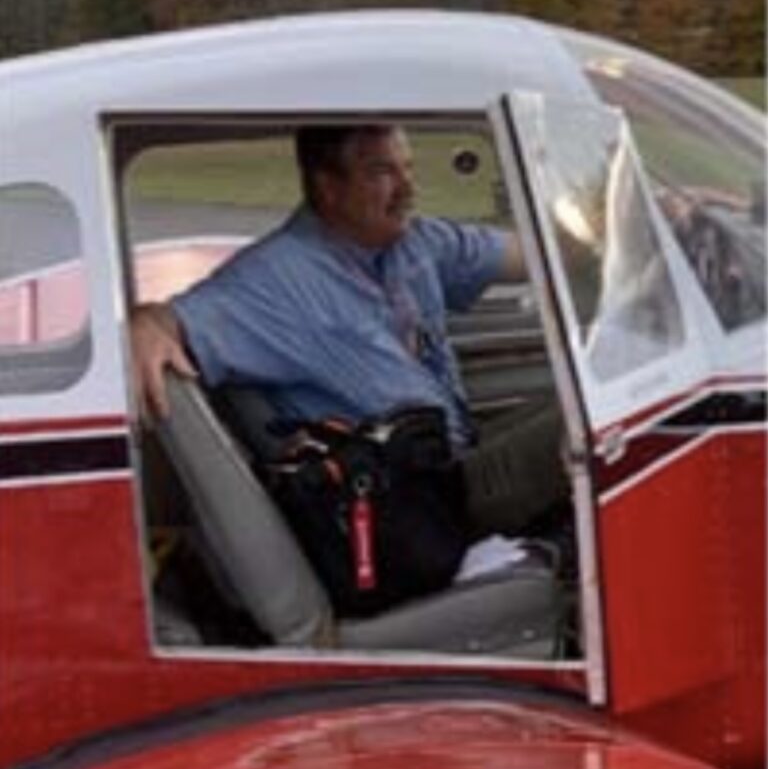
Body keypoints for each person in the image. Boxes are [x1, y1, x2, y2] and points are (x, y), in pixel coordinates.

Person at [131, 123, 567, 536]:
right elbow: (163, 322)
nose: (407, 189)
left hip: (457, 452)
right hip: (414, 505)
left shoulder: (414, 242)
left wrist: (596, 240)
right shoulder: (278, 281)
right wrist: (145, 322)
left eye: (408, 169)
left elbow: (532, 256)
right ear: (328, 187)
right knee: (606, 431)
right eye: (382, 172)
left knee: (582, 407)